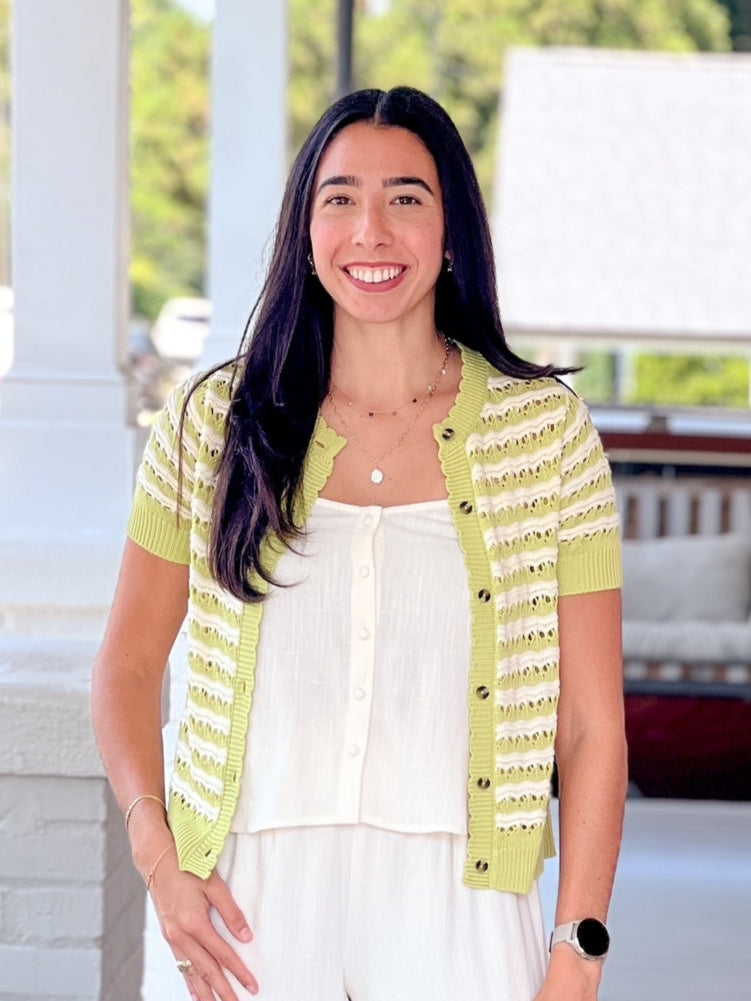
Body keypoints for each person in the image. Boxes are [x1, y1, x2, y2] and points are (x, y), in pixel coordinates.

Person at [92, 86, 626, 1001]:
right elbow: (129, 666)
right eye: (338, 198)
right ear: (306, 228)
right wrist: (158, 857)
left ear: (451, 228)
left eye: (405, 198)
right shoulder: (210, 422)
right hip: (242, 898)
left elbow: (588, 727)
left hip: (465, 900)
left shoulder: (547, 436)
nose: (369, 230)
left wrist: (578, 949)